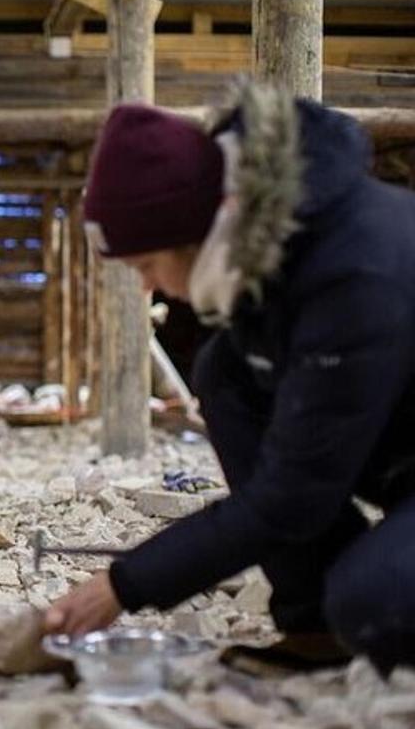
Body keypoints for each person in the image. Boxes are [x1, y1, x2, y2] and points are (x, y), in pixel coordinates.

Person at [45, 79, 415, 674]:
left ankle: (344, 609)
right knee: (225, 370)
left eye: (145, 265)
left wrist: (122, 585)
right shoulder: (274, 254)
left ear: (197, 231)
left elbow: (290, 498)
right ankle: (314, 625)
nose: (145, 287)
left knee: (376, 600)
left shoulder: (355, 274)